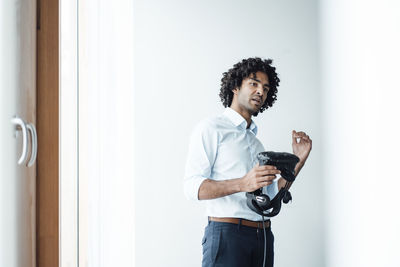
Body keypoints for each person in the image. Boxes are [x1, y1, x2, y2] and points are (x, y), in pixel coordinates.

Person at [183, 57, 312, 267]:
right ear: (235, 86)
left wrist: (299, 161)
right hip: (227, 236)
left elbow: (270, 196)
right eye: (254, 83)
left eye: (266, 88)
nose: (261, 91)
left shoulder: (257, 144)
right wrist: (242, 183)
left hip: (262, 237)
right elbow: (191, 187)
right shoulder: (211, 128)